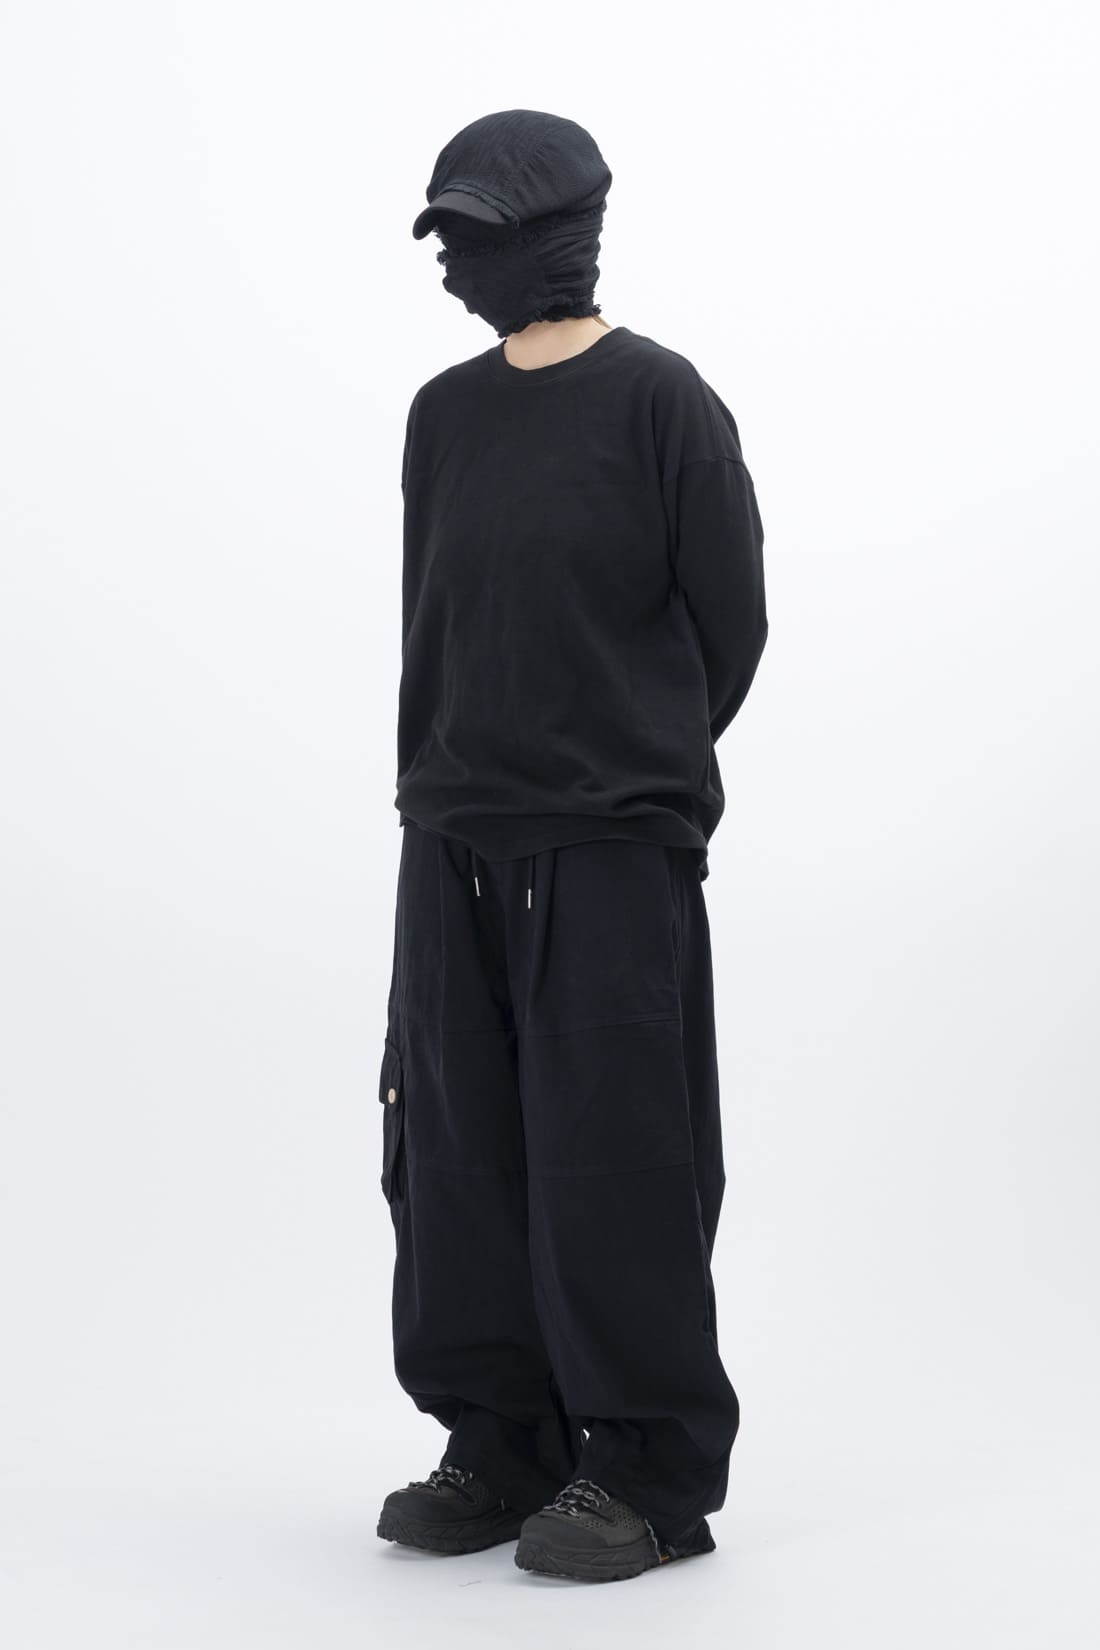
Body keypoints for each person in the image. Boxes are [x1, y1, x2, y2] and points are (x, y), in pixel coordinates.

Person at [375, 109, 768, 1583]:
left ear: (562, 234)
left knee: (618, 1155)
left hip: (607, 846)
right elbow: (438, 615)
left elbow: (730, 629)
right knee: (453, 1154)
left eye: (479, 235)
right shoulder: (443, 415)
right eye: (445, 239)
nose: (456, 267)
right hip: (452, 836)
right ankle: (503, 1438)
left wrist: (624, 762)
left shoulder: (664, 403)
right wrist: (452, 777)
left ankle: (647, 1472)